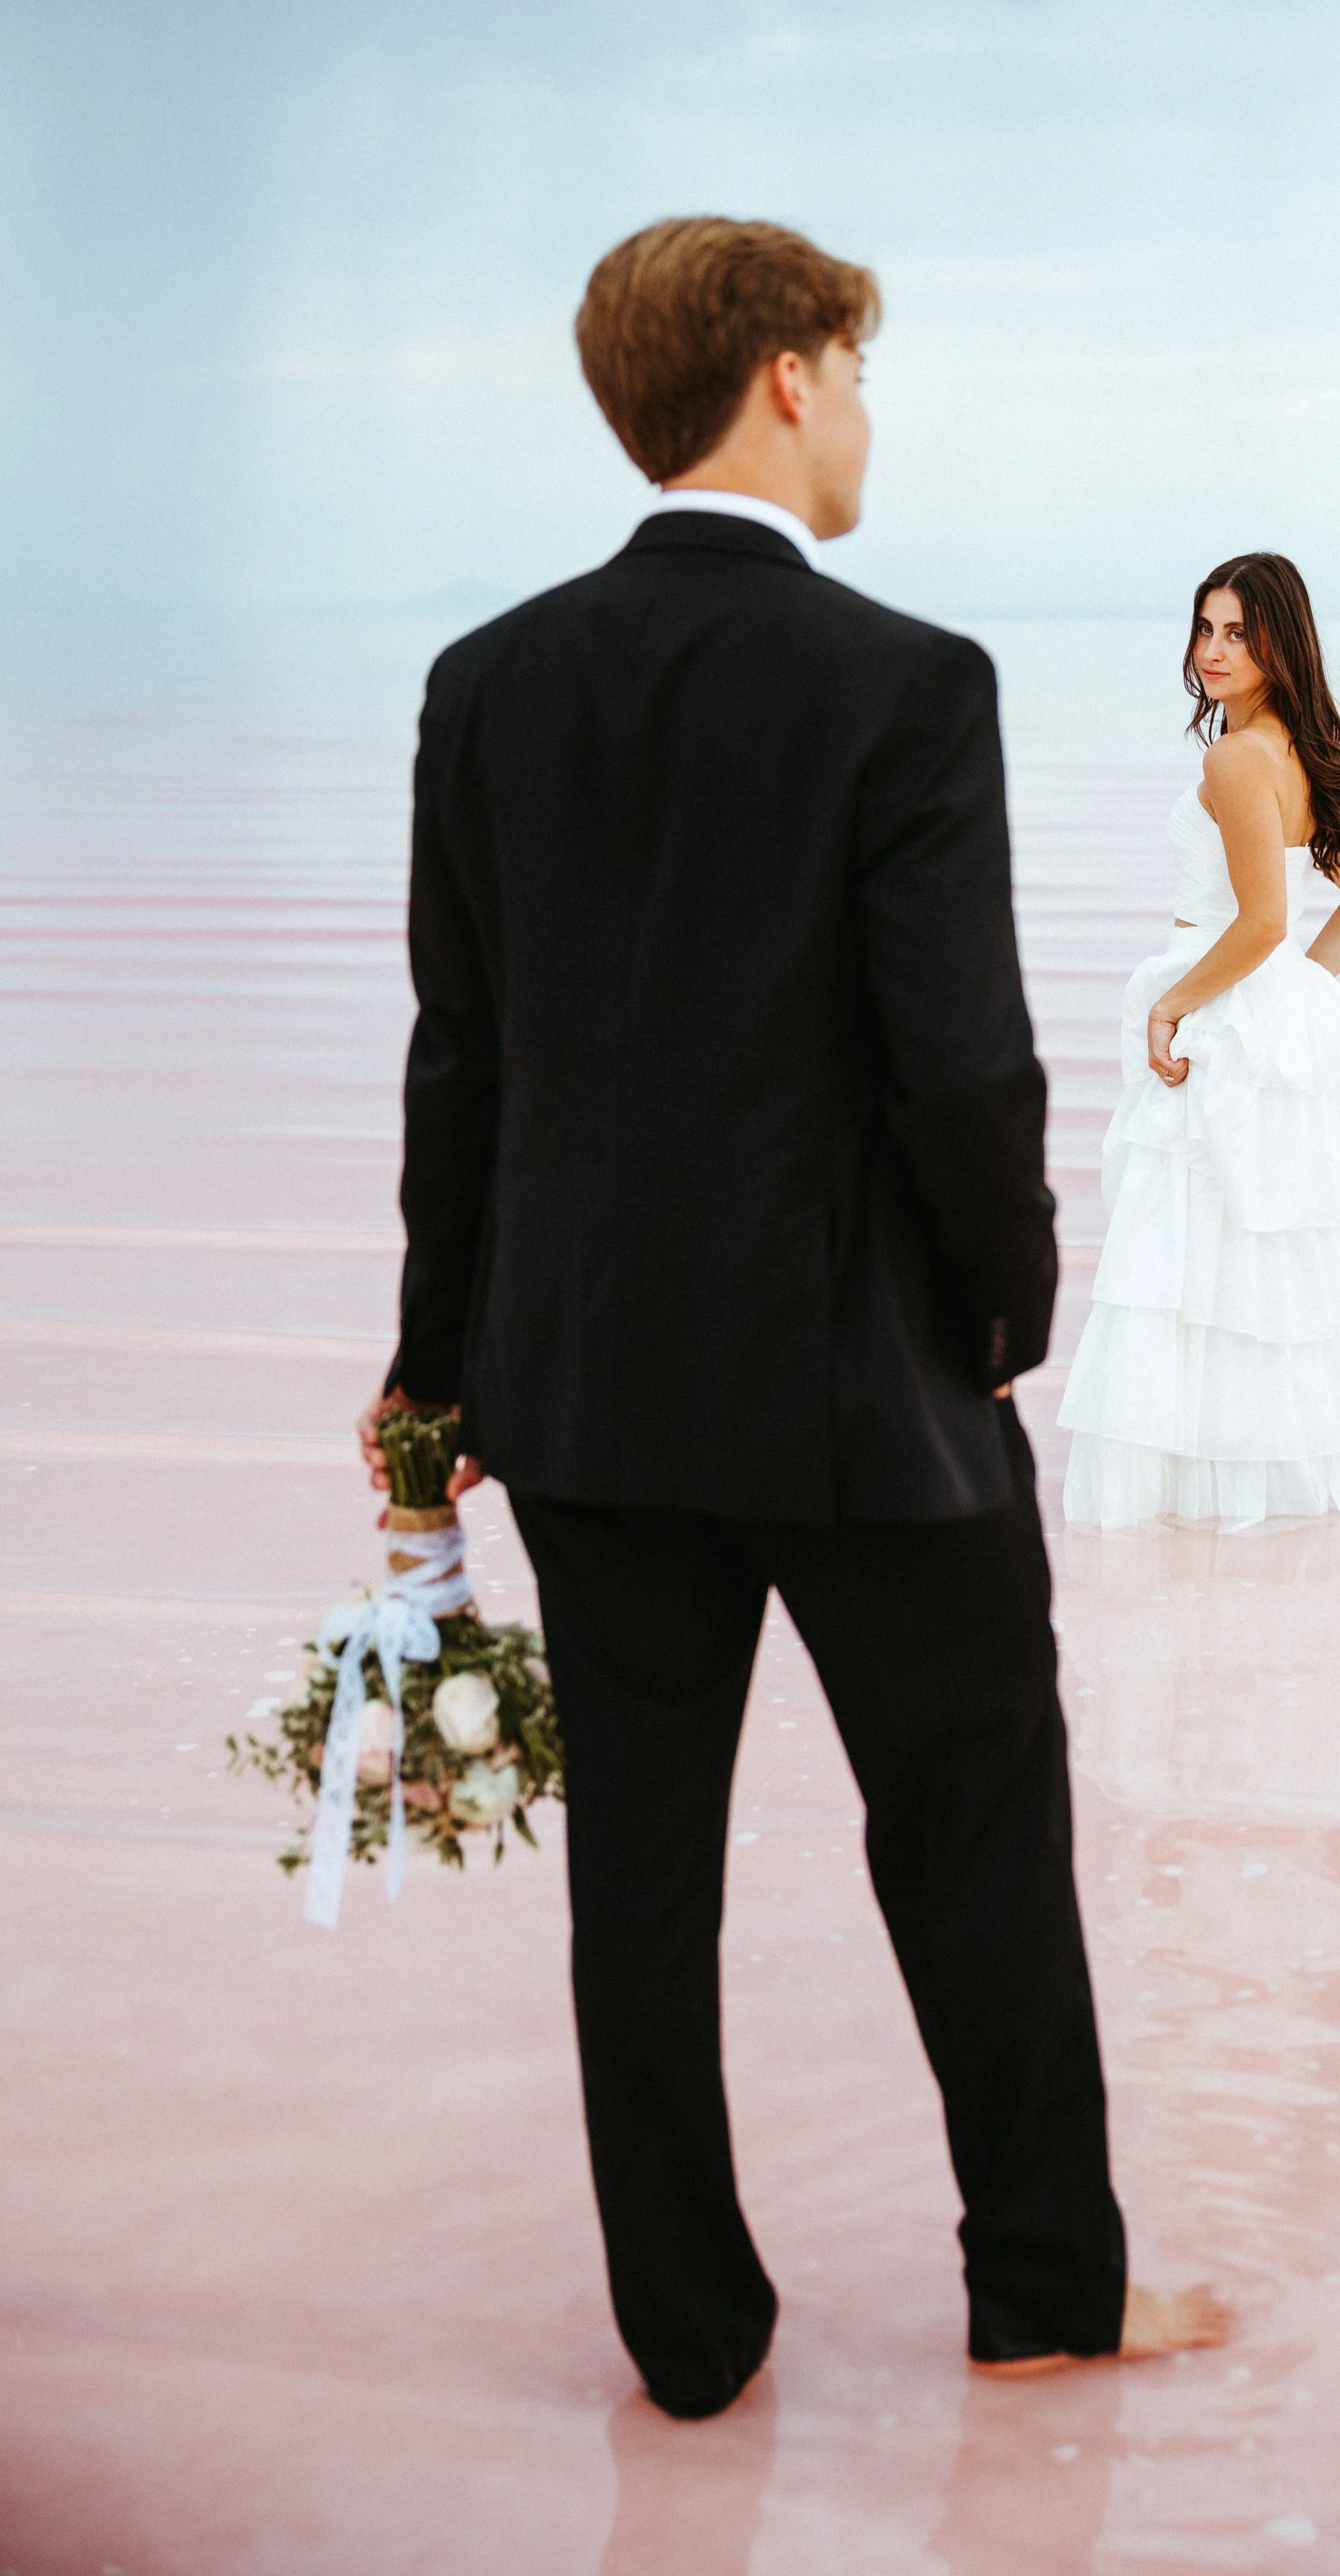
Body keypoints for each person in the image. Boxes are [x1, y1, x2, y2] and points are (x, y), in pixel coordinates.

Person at [356, 217, 1229, 2417]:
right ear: (777, 380)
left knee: (636, 1872)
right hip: (862, 1394)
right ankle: (1043, 2283)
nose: (863, 408)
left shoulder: (487, 680)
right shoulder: (906, 681)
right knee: (971, 1818)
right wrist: (1008, 1312)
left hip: (581, 1393)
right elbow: (960, 1064)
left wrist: (431, 1375)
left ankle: (687, 2334)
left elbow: (458, 1058)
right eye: (853, 363)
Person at [1059, 553, 1340, 1530]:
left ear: (1280, 641)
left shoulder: (1237, 759)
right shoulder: (1309, 749)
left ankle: (1176, 1512)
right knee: (1245, 1266)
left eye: (1238, 631)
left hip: (1211, 1022)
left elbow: (1256, 923)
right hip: (1245, 1024)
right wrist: (1283, 1001)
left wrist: (1179, 1008)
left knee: (1180, 1264)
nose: (1214, 650)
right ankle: (1243, 1506)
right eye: (1206, 628)